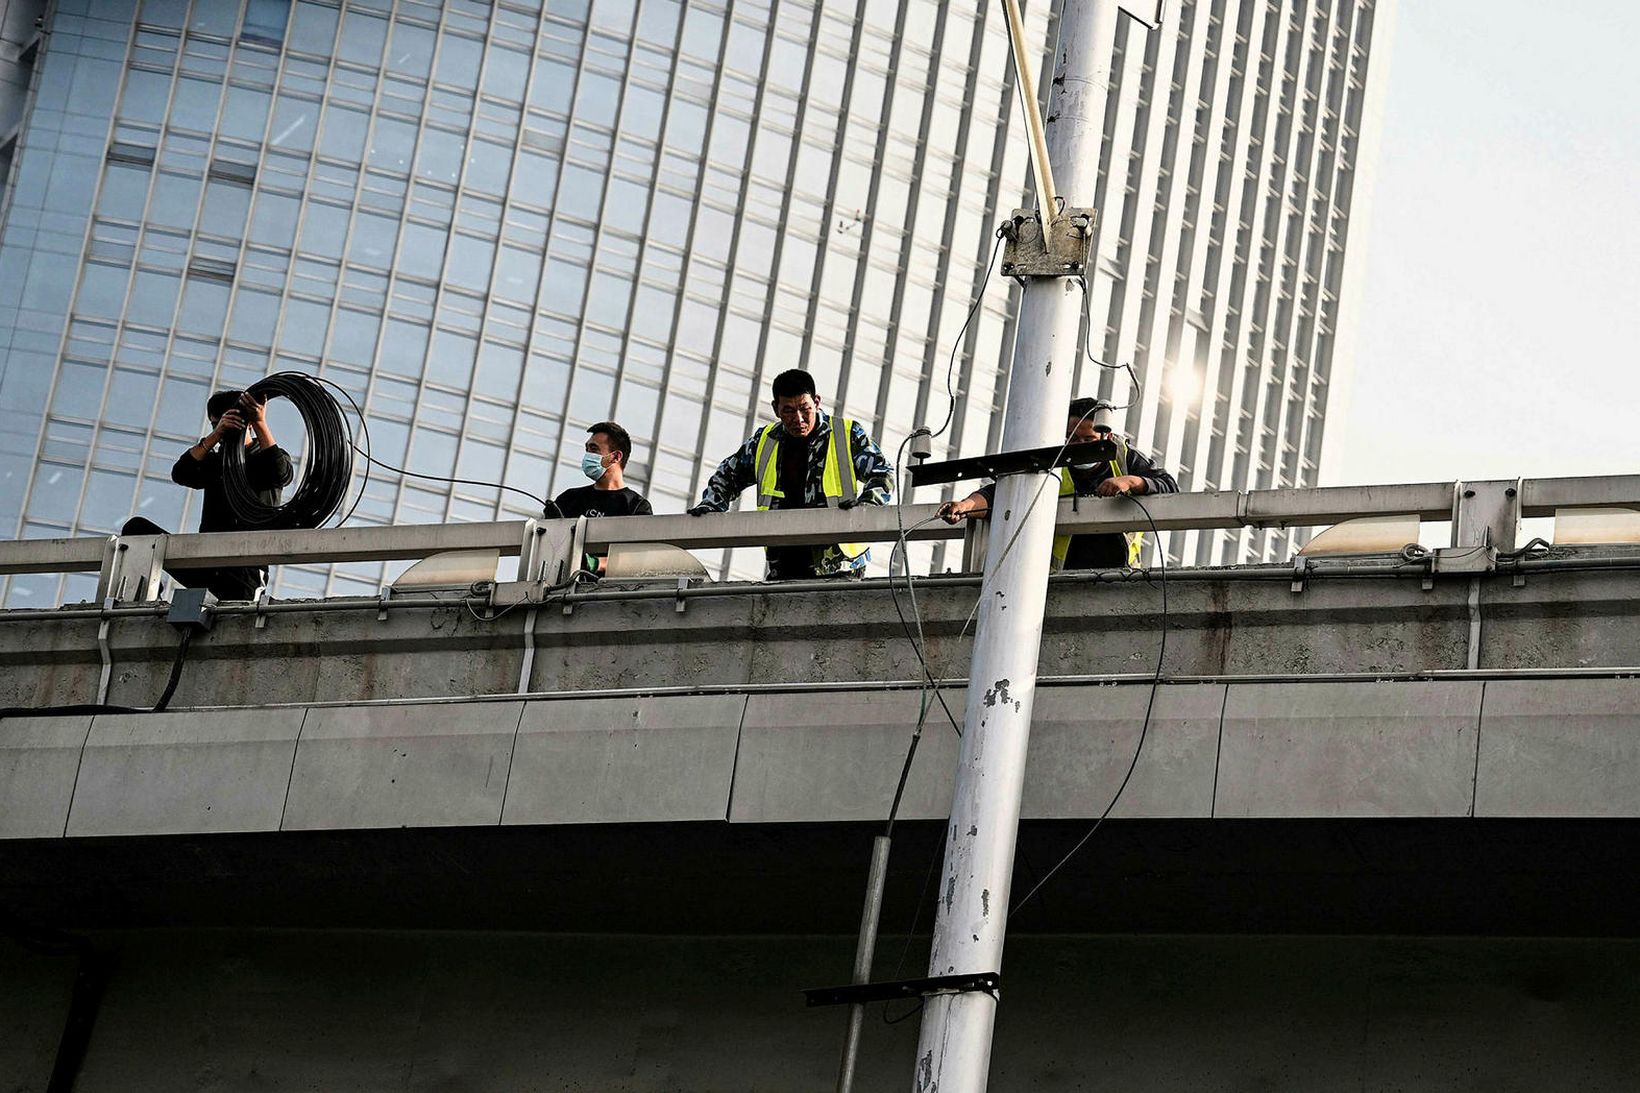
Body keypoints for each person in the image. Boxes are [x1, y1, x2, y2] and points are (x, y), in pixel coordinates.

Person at [688, 368, 894, 579]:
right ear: (776, 409)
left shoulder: (846, 434)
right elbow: (727, 475)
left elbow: (883, 474)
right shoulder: (765, 441)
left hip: (839, 566)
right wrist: (711, 505)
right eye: (788, 410)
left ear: (817, 402)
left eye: (805, 408)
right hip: (785, 566)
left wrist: (867, 506)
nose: (798, 418)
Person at [937, 396, 1177, 569]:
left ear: (1108, 437)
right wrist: (967, 506)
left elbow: (1168, 486)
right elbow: (1002, 493)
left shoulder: (1124, 457)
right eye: (1074, 439)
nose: (1082, 447)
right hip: (1064, 578)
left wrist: (1131, 481)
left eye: (1089, 440)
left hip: (1120, 573)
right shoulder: (1053, 462)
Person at [122, 389, 293, 600]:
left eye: (233, 420)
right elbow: (181, 473)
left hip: (243, 571)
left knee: (237, 609)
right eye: (215, 423)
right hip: (206, 558)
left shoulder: (264, 456)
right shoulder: (215, 462)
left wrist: (259, 422)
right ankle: (147, 597)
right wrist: (215, 435)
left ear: (247, 421)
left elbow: (281, 473)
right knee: (136, 528)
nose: (225, 427)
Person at [550, 421, 653, 574]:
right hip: (559, 590)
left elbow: (639, 557)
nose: (587, 456)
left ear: (615, 457)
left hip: (607, 593)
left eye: (594, 449)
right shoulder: (568, 499)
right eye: (587, 449)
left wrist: (596, 563)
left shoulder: (636, 506)